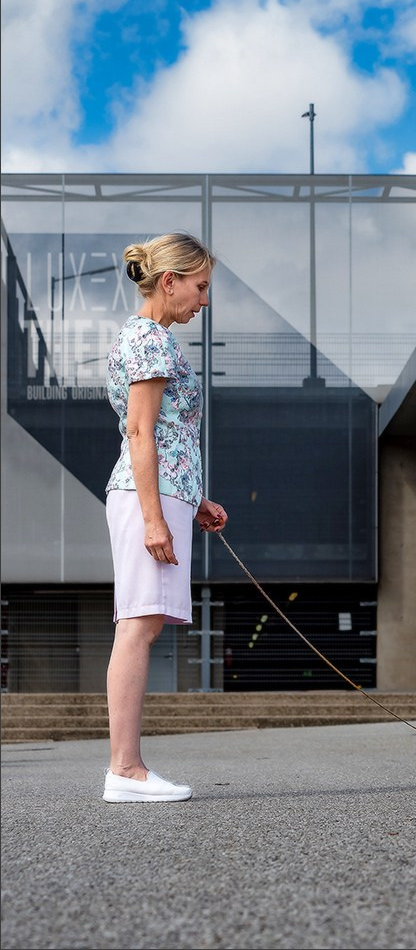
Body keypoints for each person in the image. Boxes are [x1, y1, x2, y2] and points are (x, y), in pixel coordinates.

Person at [102, 232, 228, 803]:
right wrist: (155, 518)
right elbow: (140, 431)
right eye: (200, 288)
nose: (203, 301)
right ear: (170, 281)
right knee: (138, 624)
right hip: (145, 497)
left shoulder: (150, 338)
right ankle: (125, 771)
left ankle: (126, 769)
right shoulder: (149, 338)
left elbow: (167, 433)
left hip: (164, 493)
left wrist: (192, 497)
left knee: (144, 624)